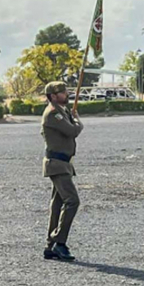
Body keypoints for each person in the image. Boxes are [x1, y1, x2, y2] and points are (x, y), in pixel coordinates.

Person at [41, 81, 83, 262]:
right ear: (52, 95)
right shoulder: (53, 114)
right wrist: (78, 120)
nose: (66, 94)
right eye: (62, 92)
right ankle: (59, 241)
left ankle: (50, 245)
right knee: (72, 201)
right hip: (56, 163)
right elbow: (72, 131)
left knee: (57, 204)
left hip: (64, 163)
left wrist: (72, 117)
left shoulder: (61, 112)